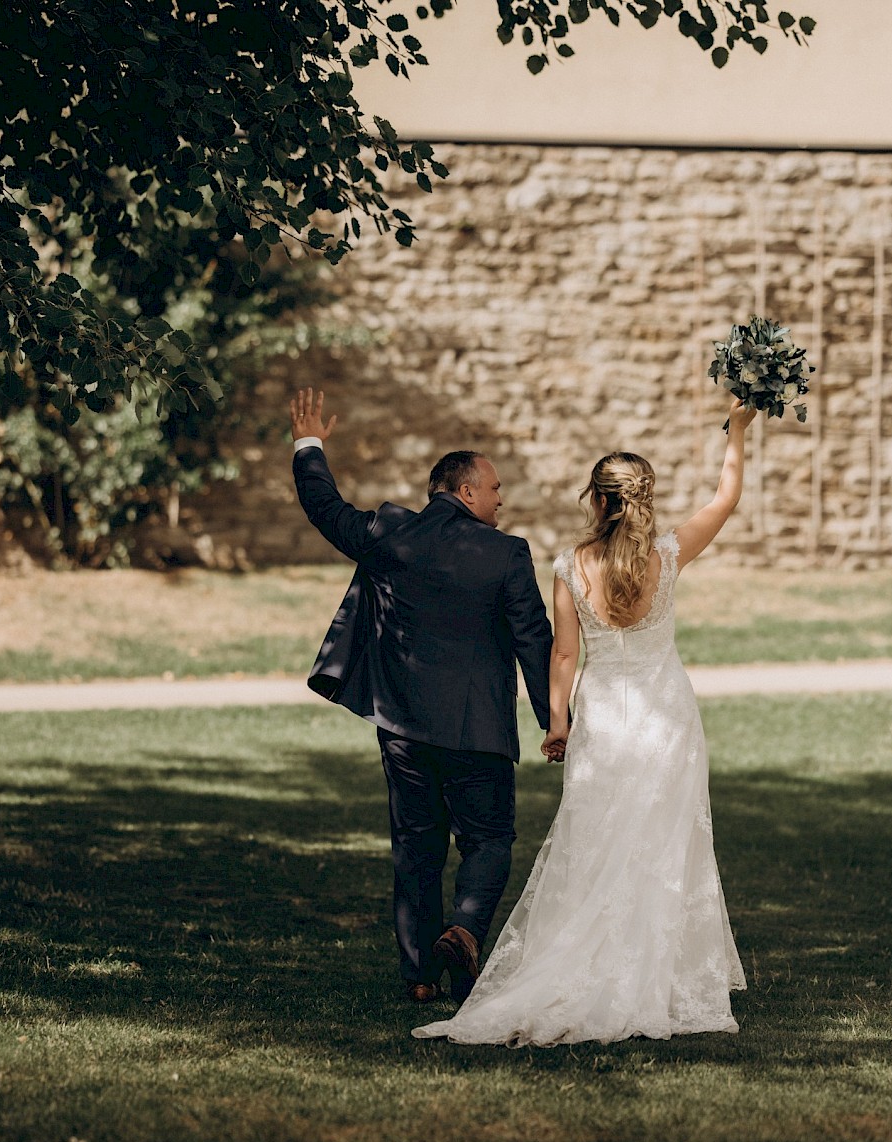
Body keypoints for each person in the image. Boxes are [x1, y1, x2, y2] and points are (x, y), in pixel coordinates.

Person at [413, 397, 757, 1045]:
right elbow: (726, 498)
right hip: (667, 718)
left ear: (596, 500)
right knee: (664, 841)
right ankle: (660, 971)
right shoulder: (669, 552)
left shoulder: (573, 564)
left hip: (603, 717)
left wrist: (557, 723)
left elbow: (564, 653)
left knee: (594, 839)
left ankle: (595, 963)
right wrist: (736, 433)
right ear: (644, 498)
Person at [289, 388, 554, 1006]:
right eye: (493, 490)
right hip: (479, 732)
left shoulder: (391, 534)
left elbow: (326, 509)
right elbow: (533, 643)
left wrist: (309, 446)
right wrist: (555, 721)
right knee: (488, 841)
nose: (501, 500)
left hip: (402, 727)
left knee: (416, 845)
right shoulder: (506, 554)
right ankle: (463, 928)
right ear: (464, 491)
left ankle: (418, 976)